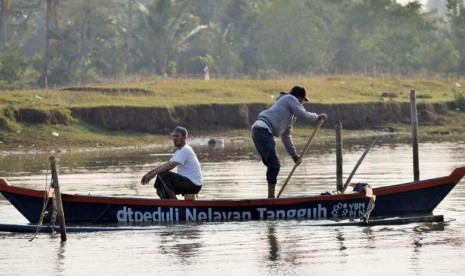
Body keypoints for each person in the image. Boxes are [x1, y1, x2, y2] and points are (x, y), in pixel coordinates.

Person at [251, 86, 327, 198]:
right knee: (274, 165)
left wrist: (293, 155)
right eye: (302, 101)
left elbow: (286, 136)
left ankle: (270, 199)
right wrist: (317, 116)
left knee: (273, 165)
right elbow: (304, 115)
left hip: (262, 131)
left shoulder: (290, 116)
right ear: (299, 98)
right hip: (262, 129)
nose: (302, 104)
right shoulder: (289, 98)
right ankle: (271, 200)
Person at [141, 126, 202, 199]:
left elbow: (172, 165)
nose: (174, 138)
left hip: (193, 185)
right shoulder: (179, 151)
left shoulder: (185, 149)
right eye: (173, 136)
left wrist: (154, 174)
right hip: (187, 183)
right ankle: (167, 202)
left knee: (163, 174)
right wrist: (150, 173)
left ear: (184, 138)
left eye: (177, 136)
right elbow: (167, 164)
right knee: (160, 178)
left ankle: (173, 202)